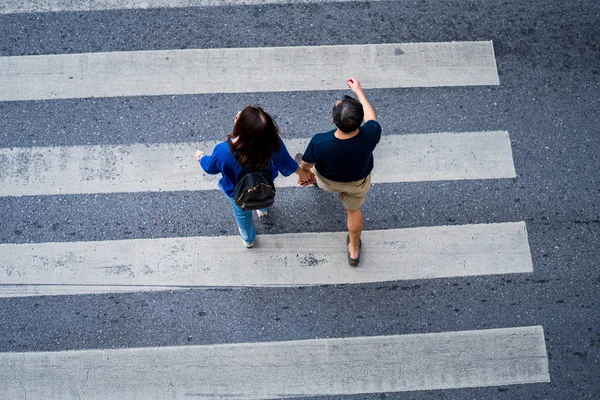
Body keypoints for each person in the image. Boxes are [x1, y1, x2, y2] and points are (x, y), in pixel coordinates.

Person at [196, 105, 314, 248]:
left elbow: (210, 167)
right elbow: (287, 163)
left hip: (236, 191)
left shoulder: (223, 151)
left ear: (240, 127)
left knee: (242, 214)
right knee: (263, 194)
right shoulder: (272, 142)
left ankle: (248, 239)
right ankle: (262, 209)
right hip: (265, 182)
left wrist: (201, 157)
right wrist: (303, 174)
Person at [297, 78, 381, 266]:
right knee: (353, 210)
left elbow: (306, 164)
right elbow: (372, 118)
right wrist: (359, 91)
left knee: (313, 171)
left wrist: (305, 174)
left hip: (329, 180)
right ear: (360, 122)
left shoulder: (320, 142)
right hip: (357, 182)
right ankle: (353, 249)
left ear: (333, 121)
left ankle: (316, 184)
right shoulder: (371, 133)